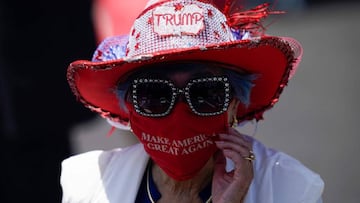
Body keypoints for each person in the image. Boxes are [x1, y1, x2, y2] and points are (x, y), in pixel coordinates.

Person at [61, 0, 324, 202]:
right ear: (129, 107)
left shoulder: (292, 189)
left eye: (205, 93)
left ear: (234, 103)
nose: (179, 113)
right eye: (154, 95)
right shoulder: (87, 184)